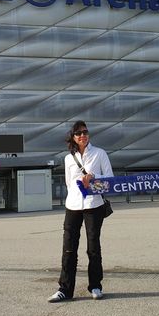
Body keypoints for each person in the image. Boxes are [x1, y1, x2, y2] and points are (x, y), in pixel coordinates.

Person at [48, 120, 113, 302]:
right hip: (73, 206)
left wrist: (93, 177)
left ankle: (95, 286)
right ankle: (65, 289)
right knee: (68, 248)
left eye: (85, 132)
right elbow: (69, 183)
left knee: (93, 247)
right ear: (73, 137)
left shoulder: (99, 153)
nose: (83, 135)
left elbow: (109, 179)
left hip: (94, 205)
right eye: (78, 133)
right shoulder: (69, 158)